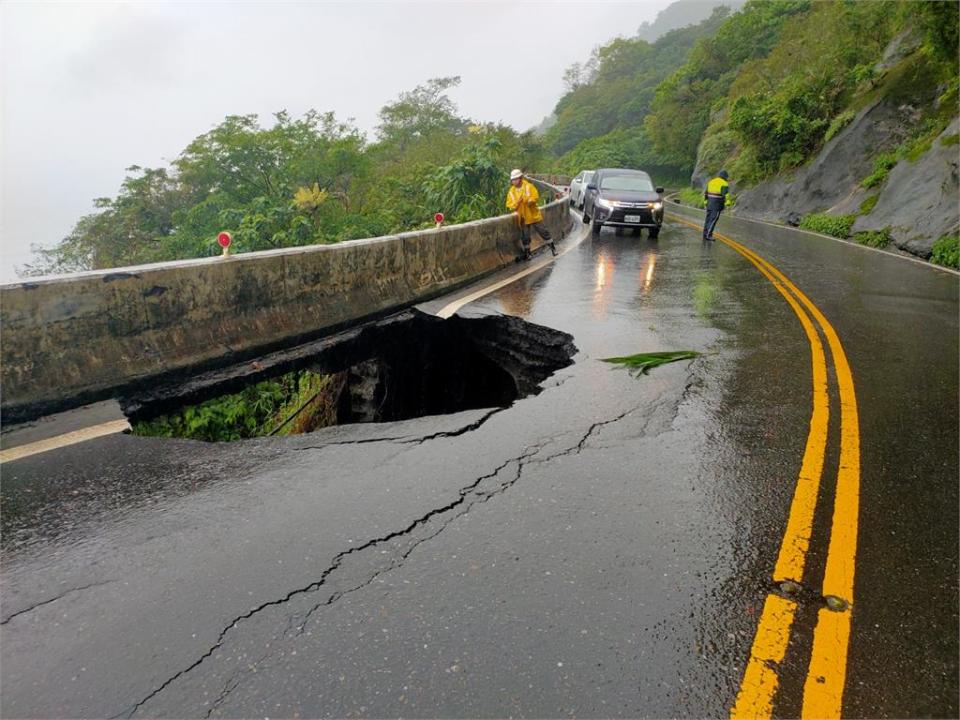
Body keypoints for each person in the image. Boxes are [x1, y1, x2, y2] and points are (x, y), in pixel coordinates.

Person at [505, 169, 556, 260]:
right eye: (513, 180)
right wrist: (518, 202)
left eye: (515, 179)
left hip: (533, 215)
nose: (514, 181)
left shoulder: (529, 186)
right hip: (523, 217)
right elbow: (511, 206)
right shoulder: (511, 192)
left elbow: (535, 197)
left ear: (520, 178)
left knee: (543, 231)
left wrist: (527, 200)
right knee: (525, 236)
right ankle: (528, 253)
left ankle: (553, 248)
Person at [702, 169, 730, 241]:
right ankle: (709, 235)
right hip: (717, 204)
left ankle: (705, 234)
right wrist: (728, 203)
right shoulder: (724, 183)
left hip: (709, 203)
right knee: (713, 219)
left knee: (708, 219)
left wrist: (705, 202)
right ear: (725, 177)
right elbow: (725, 194)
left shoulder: (711, 181)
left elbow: (706, 193)